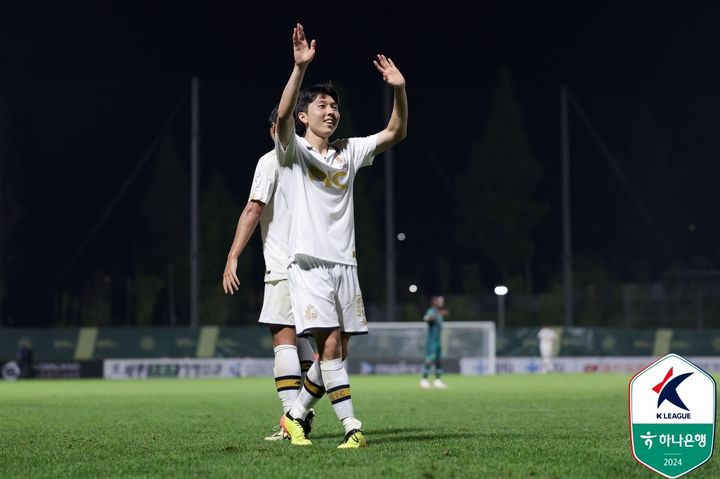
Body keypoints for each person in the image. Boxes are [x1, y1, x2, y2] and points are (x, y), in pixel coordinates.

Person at [275, 23, 408, 448]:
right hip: (308, 263)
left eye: (334, 106)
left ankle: (294, 415)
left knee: (337, 352)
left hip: (345, 264)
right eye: (322, 106)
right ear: (304, 115)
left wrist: (399, 90)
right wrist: (299, 70)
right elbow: (279, 119)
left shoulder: (348, 150)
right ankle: (353, 428)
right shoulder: (294, 150)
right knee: (329, 344)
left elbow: (395, 133)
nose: (331, 111)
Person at [222, 107, 316, 441]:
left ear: (274, 129)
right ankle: (303, 412)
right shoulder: (312, 159)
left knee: (283, 337)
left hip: (284, 264)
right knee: (308, 340)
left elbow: (253, 208)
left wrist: (233, 255)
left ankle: (293, 418)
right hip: (317, 265)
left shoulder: (270, 160)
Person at [420, 296, 449, 389]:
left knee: (438, 360)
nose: (441, 303)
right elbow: (427, 318)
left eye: (442, 302)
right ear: (434, 302)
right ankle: (424, 380)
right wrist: (438, 313)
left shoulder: (440, 313)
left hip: (438, 341)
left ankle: (438, 380)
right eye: (439, 301)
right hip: (431, 341)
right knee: (430, 359)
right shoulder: (432, 310)